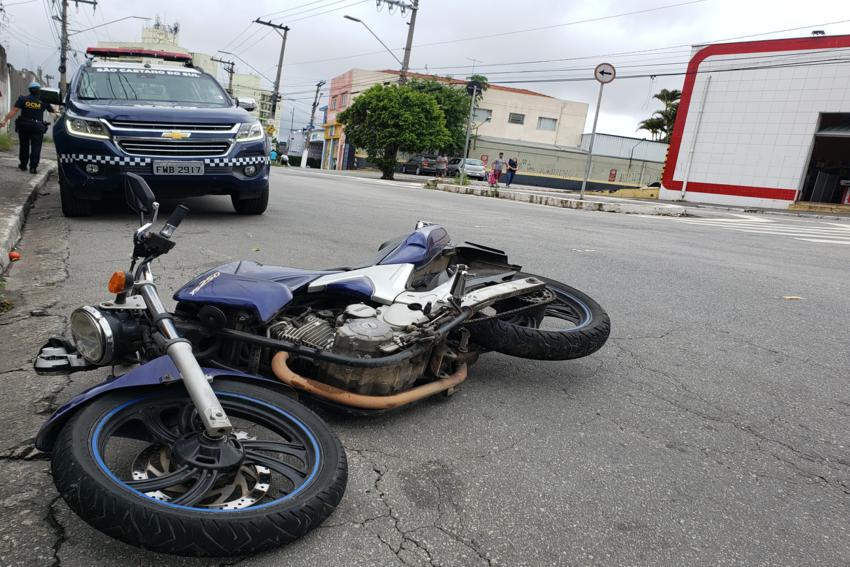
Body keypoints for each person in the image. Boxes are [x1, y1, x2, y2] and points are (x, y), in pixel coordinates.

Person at [0, 81, 58, 174]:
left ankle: (23, 165)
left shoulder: (23, 99)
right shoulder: (44, 100)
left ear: (29, 90)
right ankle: (33, 167)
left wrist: (5, 120)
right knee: (36, 147)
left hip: (24, 126)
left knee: (24, 145)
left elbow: (14, 110)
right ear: (39, 90)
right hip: (38, 127)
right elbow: (54, 113)